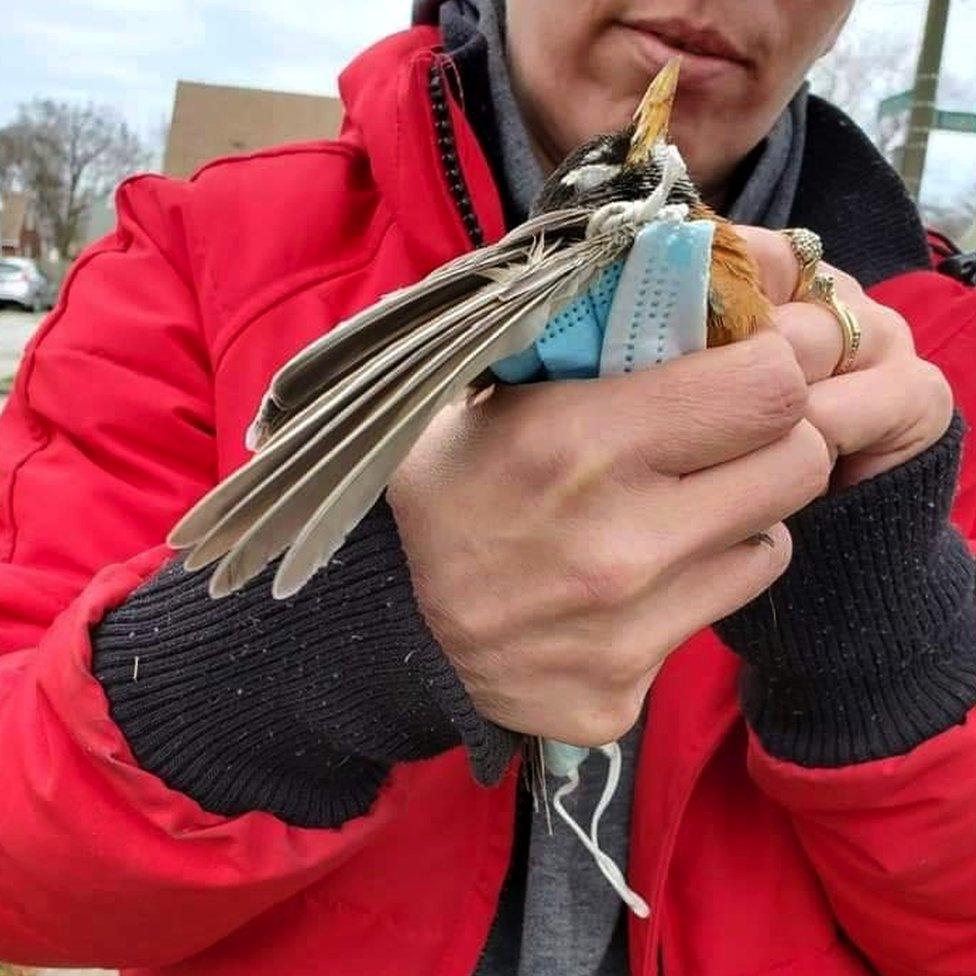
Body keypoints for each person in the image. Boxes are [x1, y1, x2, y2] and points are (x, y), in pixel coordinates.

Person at [0, 0, 974, 973]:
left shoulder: (935, 360)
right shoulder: (192, 256)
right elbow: (23, 881)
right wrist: (330, 639)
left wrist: (893, 647)